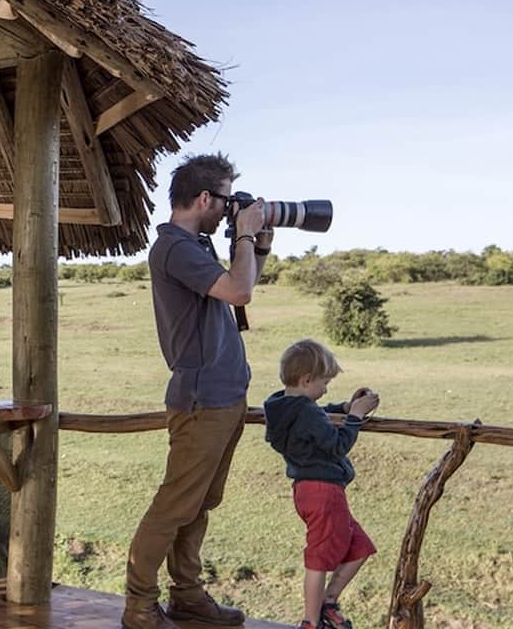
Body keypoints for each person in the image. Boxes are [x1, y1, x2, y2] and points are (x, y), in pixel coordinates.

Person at [122, 153, 274, 629]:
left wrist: (258, 245)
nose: (229, 212)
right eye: (226, 202)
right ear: (205, 198)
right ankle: (139, 605)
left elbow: (242, 283)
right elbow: (240, 293)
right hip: (202, 399)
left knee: (198, 504)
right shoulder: (175, 247)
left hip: (224, 397)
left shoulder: (198, 245)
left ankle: (186, 595)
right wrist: (245, 233)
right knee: (173, 506)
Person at [263, 339, 381, 629]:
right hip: (325, 492)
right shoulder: (307, 413)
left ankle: (329, 602)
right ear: (306, 380)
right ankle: (311, 622)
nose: (326, 388)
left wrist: (343, 406)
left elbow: (314, 415)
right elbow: (337, 445)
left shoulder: (281, 406)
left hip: (306, 491)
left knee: (361, 547)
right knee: (317, 560)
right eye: (324, 382)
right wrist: (354, 417)